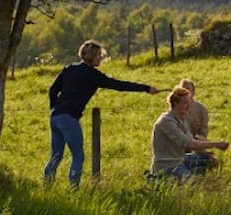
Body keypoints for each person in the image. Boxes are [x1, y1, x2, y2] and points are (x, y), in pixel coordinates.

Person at [44, 39, 160, 188]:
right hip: (69, 118)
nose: (101, 57)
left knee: (56, 155)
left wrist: (55, 108)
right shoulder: (93, 75)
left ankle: (47, 186)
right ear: (91, 56)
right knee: (78, 155)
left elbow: (52, 90)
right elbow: (119, 85)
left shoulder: (69, 69)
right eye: (99, 54)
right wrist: (146, 88)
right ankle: (73, 189)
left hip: (55, 117)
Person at [150, 86, 229, 181]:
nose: (189, 106)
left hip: (180, 159)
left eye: (189, 102)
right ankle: (159, 177)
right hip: (167, 165)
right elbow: (189, 144)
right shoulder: (166, 121)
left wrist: (208, 155)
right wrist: (216, 144)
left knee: (209, 161)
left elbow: (192, 141)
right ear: (175, 103)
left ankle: (189, 172)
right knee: (193, 183)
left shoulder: (181, 119)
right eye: (185, 103)